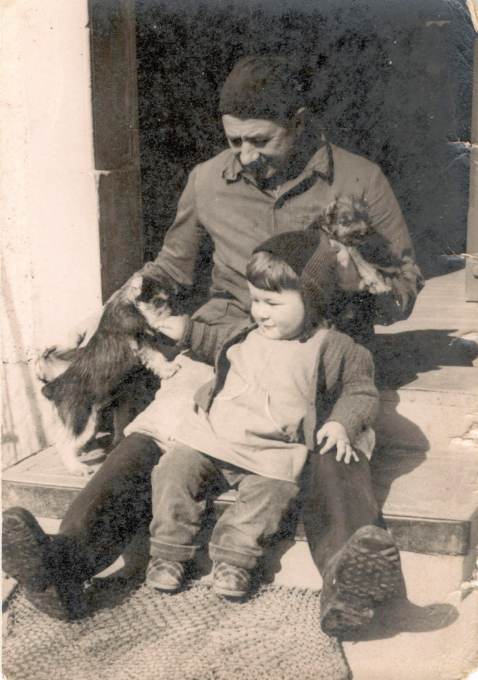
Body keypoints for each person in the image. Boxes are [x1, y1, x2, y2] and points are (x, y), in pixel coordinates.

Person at [2, 54, 421, 635]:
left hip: (315, 352)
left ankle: (346, 589)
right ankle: (64, 564)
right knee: (157, 433)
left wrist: (353, 277)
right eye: (234, 141)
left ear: (300, 123)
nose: (244, 155)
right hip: (220, 347)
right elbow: (172, 268)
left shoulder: (359, 179)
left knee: (337, 446)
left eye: (260, 140)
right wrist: (113, 308)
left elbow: (403, 292)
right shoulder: (207, 180)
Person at [144, 230, 389, 604]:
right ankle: (168, 550)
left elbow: (360, 390)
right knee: (173, 469)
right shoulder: (246, 333)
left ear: (311, 299)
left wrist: (341, 422)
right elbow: (211, 341)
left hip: (271, 452)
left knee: (272, 495)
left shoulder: (333, 347)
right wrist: (186, 330)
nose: (260, 312)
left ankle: (234, 559)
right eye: (256, 300)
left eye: (272, 303)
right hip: (213, 437)